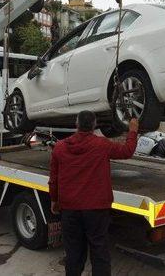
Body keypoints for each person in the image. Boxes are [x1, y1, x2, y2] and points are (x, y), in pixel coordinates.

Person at [49, 111, 138, 276]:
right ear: (94, 125)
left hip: (69, 209)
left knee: (73, 252)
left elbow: (53, 178)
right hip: (97, 209)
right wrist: (132, 130)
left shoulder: (60, 147)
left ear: (76, 124)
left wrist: (54, 200)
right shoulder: (102, 145)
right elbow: (127, 151)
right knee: (99, 251)